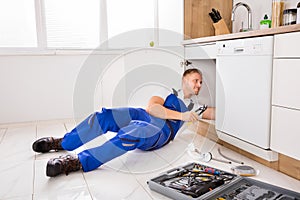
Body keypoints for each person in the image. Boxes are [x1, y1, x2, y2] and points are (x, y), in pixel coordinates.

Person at [32, 68, 215, 177]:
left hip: (162, 131)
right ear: (184, 79)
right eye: (195, 80)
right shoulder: (166, 90)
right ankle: (64, 142)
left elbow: (218, 114)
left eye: (201, 82)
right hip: (145, 114)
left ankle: (78, 161)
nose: (199, 85)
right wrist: (183, 116)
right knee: (104, 116)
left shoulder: (197, 106)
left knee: (136, 131)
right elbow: (153, 109)